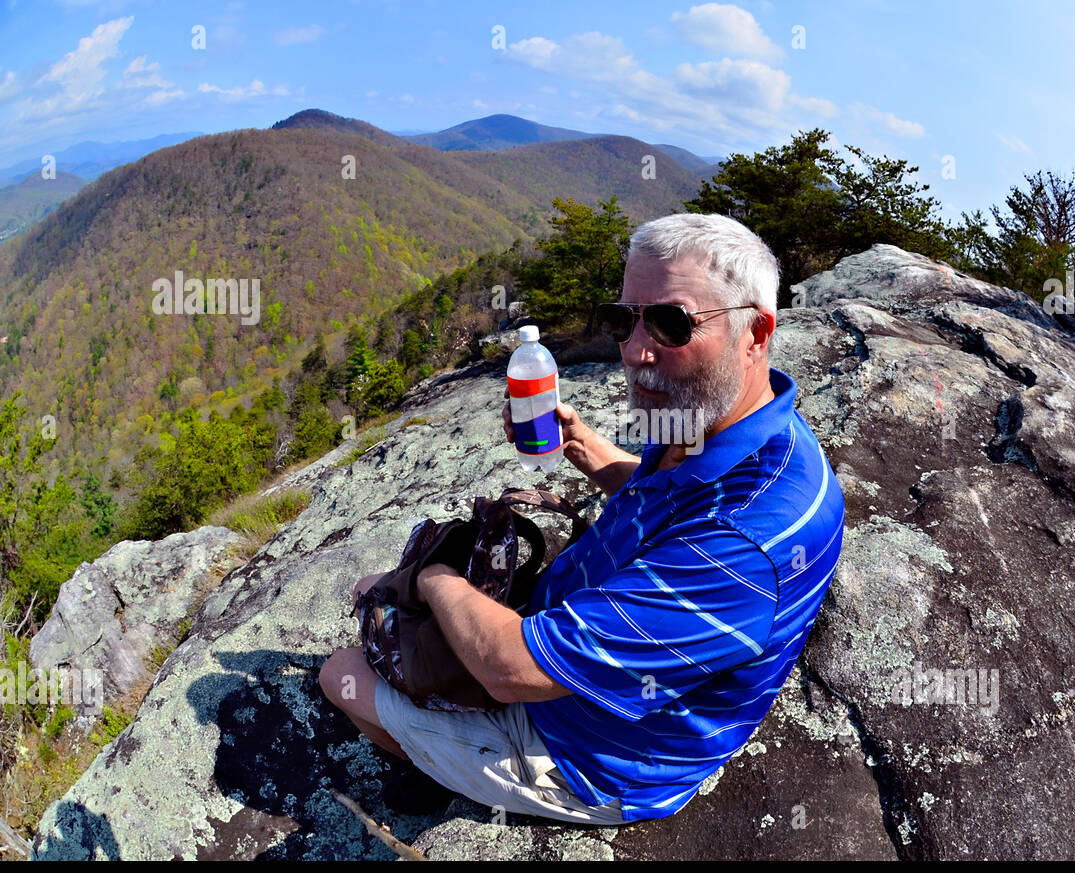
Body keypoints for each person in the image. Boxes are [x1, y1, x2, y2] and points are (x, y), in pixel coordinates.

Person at [320, 212, 846, 824]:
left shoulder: (744, 544)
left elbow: (510, 671)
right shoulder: (730, 423)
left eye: (673, 323)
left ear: (756, 332)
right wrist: (585, 448)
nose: (637, 351)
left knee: (344, 673)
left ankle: (439, 776)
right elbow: (670, 501)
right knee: (393, 602)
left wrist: (433, 578)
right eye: (626, 319)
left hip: (591, 753)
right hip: (582, 652)